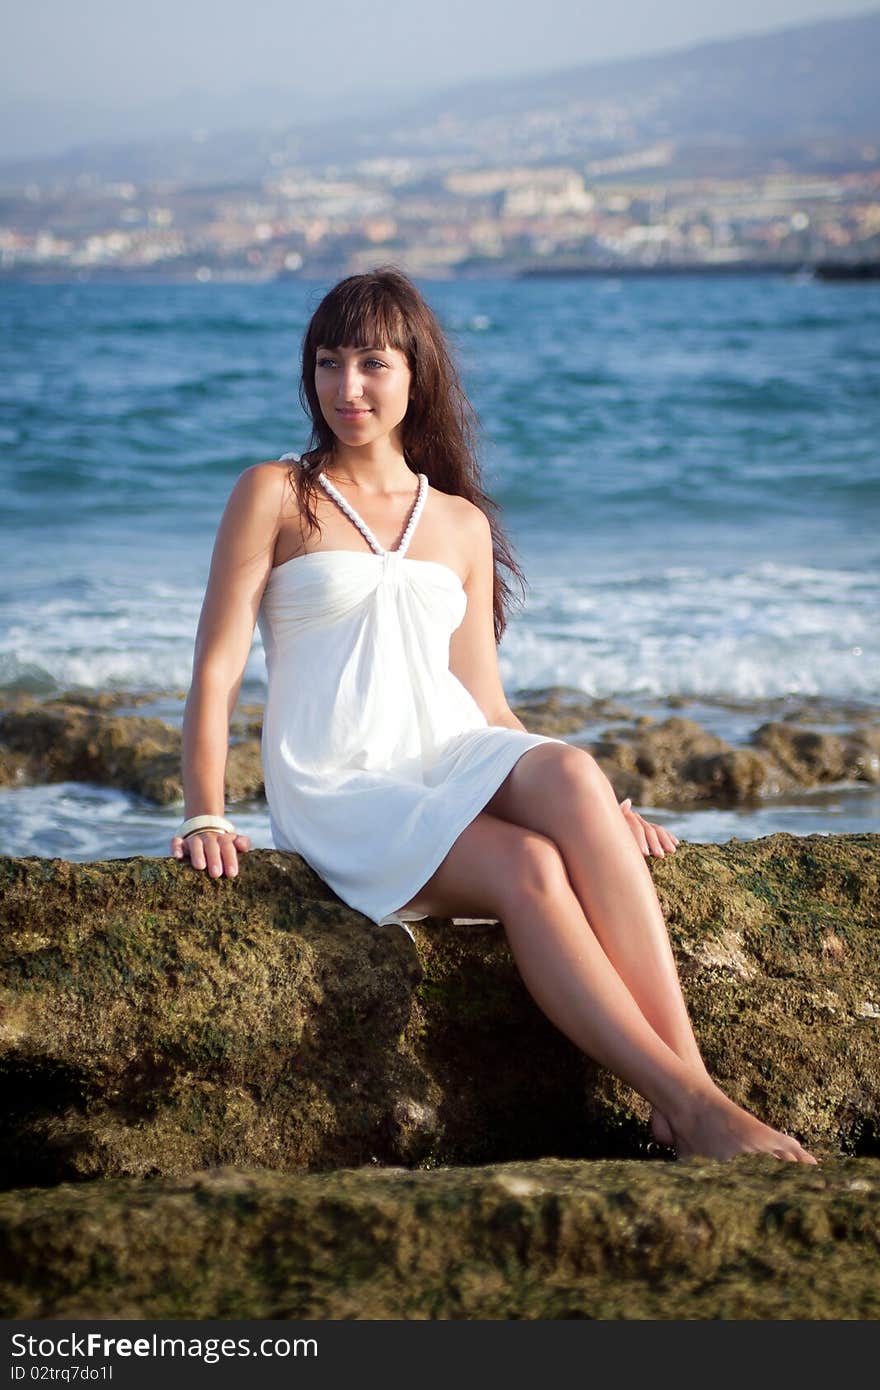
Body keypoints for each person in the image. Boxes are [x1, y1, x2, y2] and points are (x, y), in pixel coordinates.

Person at [170, 266, 817, 1166]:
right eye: (327, 364)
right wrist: (206, 810)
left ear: (415, 373)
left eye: (372, 363)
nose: (347, 387)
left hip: (445, 753)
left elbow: (483, 696)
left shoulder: (460, 523)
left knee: (574, 778)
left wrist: (596, 810)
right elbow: (216, 665)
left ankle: (692, 1094)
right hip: (344, 780)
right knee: (528, 868)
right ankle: (688, 1105)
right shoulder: (276, 492)